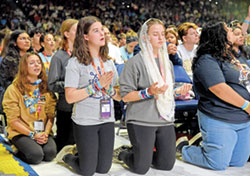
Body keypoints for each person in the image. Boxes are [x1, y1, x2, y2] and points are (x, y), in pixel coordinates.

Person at [116, 18, 191, 175]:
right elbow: (125, 96)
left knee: (166, 165)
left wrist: (177, 92)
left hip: (164, 118)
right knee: (141, 168)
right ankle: (124, 154)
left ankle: (143, 154)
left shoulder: (167, 63)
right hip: (141, 118)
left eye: (162, 34)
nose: (161, 38)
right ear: (145, 37)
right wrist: (148, 92)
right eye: (155, 34)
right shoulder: (134, 63)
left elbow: (165, 91)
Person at [180, 21, 250, 170]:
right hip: (219, 115)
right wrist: (247, 105)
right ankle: (185, 148)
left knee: (237, 162)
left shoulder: (230, 56)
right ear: (219, 36)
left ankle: (211, 144)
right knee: (217, 163)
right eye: (228, 29)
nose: (232, 31)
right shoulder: (206, 59)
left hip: (242, 117)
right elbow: (219, 89)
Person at [63, 16, 121, 176]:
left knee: (103, 168)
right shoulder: (75, 63)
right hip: (85, 121)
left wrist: (110, 91)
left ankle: (84, 153)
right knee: (87, 170)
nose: (102, 33)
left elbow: (118, 95)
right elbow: (70, 97)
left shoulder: (109, 62)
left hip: (107, 119)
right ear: (85, 36)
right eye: (96, 30)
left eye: (102, 29)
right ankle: (68, 157)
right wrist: (96, 86)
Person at [2, 52, 57, 164]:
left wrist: (46, 133)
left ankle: (36, 142)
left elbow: (51, 115)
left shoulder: (45, 87)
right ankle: (15, 147)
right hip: (21, 132)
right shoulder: (14, 89)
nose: (37, 65)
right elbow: (13, 120)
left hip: (41, 131)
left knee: (50, 154)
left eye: (38, 62)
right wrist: (33, 134)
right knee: (36, 156)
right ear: (24, 67)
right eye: (32, 63)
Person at [48, 18, 78, 152]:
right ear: (66, 34)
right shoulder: (58, 57)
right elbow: (52, 84)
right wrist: (71, 84)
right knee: (65, 146)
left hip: (82, 107)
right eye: (77, 30)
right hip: (66, 107)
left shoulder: (83, 55)